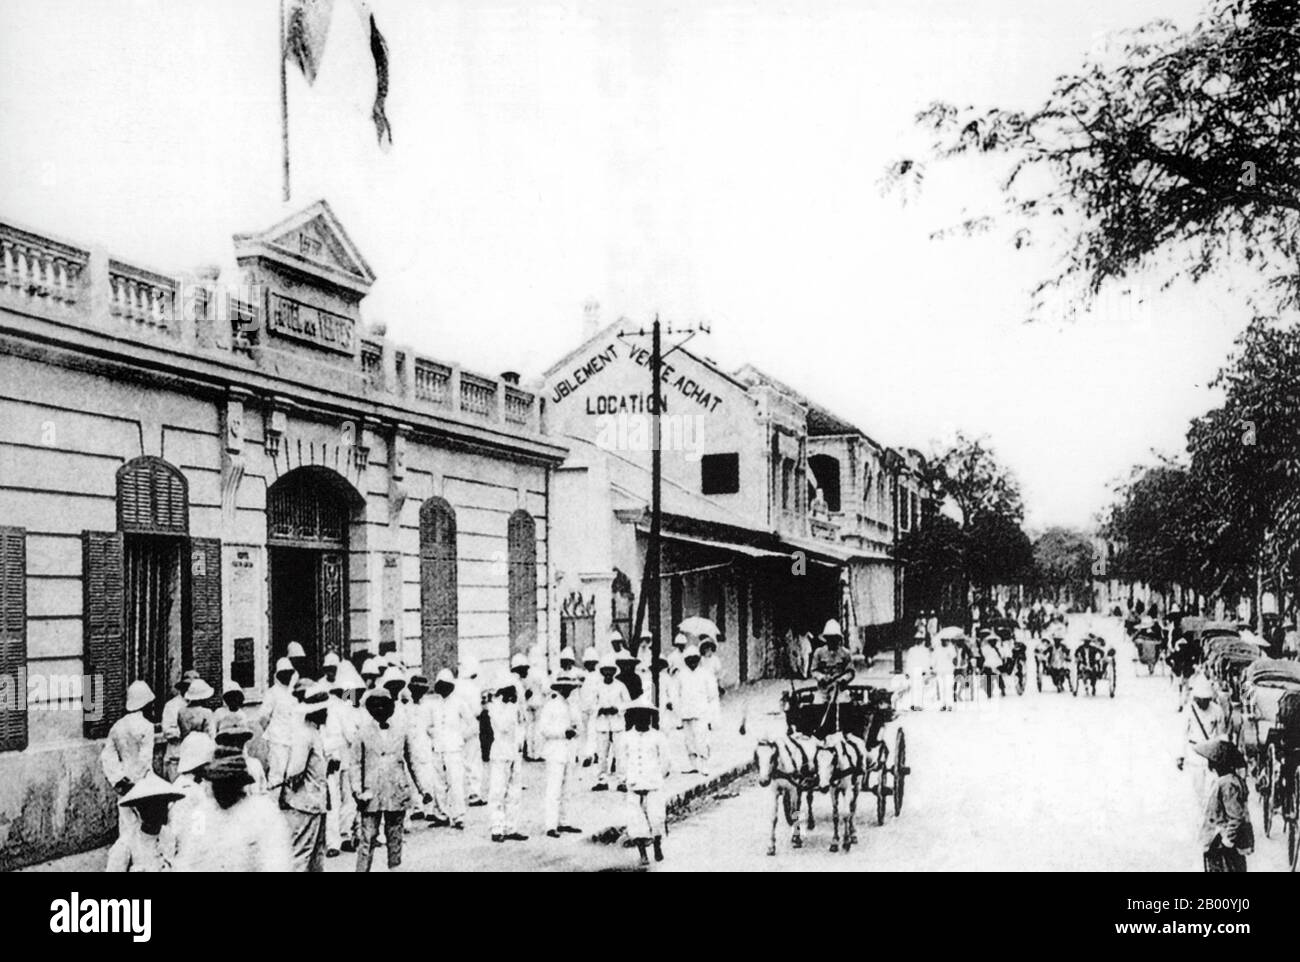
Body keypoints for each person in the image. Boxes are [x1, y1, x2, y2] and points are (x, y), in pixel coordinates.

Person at [173, 746, 294, 872]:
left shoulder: (262, 813)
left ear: (239, 784)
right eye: (218, 784)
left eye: (227, 784)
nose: (221, 791)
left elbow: (276, 863)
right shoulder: (201, 814)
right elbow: (188, 858)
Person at [352, 686, 434, 871]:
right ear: (370, 709)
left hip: (396, 791)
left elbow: (412, 762)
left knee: (395, 837)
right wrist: (357, 790)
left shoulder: (402, 730)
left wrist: (423, 789)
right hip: (370, 793)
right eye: (375, 706)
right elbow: (355, 764)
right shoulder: (362, 733)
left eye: (384, 705)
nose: (380, 709)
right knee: (367, 838)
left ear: (391, 707)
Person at [280, 682, 330, 872]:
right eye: (324, 710)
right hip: (305, 803)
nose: (327, 714)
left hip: (317, 802)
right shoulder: (305, 735)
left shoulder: (315, 733)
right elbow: (295, 770)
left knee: (317, 855)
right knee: (301, 855)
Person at [100, 680, 157, 842]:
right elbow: (145, 758)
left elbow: (108, 756)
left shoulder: (118, 726)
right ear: (145, 703)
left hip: (124, 781)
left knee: (126, 823)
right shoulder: (147, 726)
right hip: (143, 780)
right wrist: (136, 780)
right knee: (144, 823)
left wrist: (119, 779)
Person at [623, 697, 671, 866]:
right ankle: (642, 853)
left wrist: (658, 777)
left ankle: (657, 844)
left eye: (646, 716)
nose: (643, 719)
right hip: (633, 781)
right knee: (635, 820)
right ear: (634, 717)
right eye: (639, 715)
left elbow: (665, 761)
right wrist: (625, 778)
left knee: (656, 817)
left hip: (653, 782)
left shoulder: (658, 736)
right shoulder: (626, 737)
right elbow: (622, 760)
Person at [1195, 739, 1254, 872]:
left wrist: (1227, 841)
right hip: (1219, 842)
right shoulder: (1226, 781)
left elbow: (1236, 816)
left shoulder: (1227, 784)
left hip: (1223, 845)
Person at [105, 774, 183, 872]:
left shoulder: (168, 837)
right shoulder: (126, 845)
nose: (160, 812)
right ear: (142, 811)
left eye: (163, 805)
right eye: (153, 807)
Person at [425, 668, 472, 830]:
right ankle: (442, 814)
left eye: (446, 685)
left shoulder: (459, 702)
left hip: (454, 749)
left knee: (456, 782)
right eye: (441, 685)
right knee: (438, 783)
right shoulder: (434, 704)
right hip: (438, 748)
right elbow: (429, 725)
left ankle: (458, 816)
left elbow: (473, 724)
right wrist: (434, 735)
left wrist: (461, 737)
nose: (444, 688)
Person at [323, 671, 361, 854]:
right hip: (341, 757)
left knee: (334, 800)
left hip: (329, 756)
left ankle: (334, 841)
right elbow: (351, 734)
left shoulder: (326, 704)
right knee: (345, 799)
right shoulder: (343, 708)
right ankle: (341, 837)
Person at [539, 675, 583, 837]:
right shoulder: (550, 705)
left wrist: (575, 732)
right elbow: (543, 729)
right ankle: (550, 825)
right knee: (554, 789)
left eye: (570, 688)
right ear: (559, 688)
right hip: (555, 750)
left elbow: (579, 726)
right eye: (565, 687)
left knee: (567, 789)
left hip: (569, 751)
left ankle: (564, 821)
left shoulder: (572, 705)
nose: (568, 690)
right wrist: (562, 733)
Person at [486, 673, 528, 842]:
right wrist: (511, 707)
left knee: (514, 792)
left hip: (514, 753)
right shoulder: (495, 707)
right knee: (497, 791)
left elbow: (521, 726)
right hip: (500, 753)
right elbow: (503, 726)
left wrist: (520, 746)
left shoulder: (514, 706)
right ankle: (497, 828)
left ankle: (511, 827)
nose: (513, 695)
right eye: (510, 691)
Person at [1178, 675, 1228, 806]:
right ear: (1196, 699)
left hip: (1211, 755)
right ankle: (1202, 815)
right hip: (1195, 754)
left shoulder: (1217, 711)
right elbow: (1183, 733)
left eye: (1207, 700)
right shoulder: (1189, 710)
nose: (1204, 703)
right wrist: (1181, 756)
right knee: (1198, 791)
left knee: (1212, 790)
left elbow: (1222, 735)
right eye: (1201, 700)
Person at [591, 654, 631, 791]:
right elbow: (591, 704)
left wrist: (617, 709)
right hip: (602, 723)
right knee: (602, 754)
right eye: (605, 671)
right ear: (602, 672)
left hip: (617, 723)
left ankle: (622, 781)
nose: (608, 673)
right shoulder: (597, 686)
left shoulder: (620, 686)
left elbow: (628, 703)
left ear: (614, 672)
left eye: (610, 671)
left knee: (620, 753)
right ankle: (602, 780)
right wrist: (600, 709)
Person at [259, 657, 299, 790]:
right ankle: (273, 804)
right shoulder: (272, 693)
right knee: (277, 773)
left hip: (292, 738)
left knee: (291, 772)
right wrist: (272, 733)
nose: (287, 676)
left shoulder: (294, 693)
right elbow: (263, 717)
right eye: (284, 673)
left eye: (289, 673)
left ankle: (286, 802)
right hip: (278, 740)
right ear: (278, 674)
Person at [677, 645, 715, 776]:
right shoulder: (681, 675)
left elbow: (712, 694)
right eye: (689, 660)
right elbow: (676, 693)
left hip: (700, 712)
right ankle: (692, 764)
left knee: (701, 739)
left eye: (695, 659)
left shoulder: (705, 674)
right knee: (689, 740)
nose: (692, 662)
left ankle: (704, 764)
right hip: (686, 712)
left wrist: (709, 713)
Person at [458, 657, 488, 806]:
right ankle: (473, 793)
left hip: (457, 727)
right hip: (470, 725)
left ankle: (459, 792)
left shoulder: (456, 685)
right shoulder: (473, 688)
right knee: (473, 760)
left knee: (460, 760)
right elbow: (477, 710)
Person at [215, 715, 267, 795]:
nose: (236, 744)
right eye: (231, 740)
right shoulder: (218, 769)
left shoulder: (255, 764)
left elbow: (263, 792)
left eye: (240, 739)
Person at [161, 670, 198, 780]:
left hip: (194, 758)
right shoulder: (172, 705)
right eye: (188, 686)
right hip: (177, 757)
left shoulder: (198, 706)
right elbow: (167, 731)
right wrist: (185, 732)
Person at [811, 620, 853, 689]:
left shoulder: (845, 653)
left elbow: (850, 671)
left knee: (844, 699)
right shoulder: (819, 652)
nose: (832, 640)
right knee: (819, 699)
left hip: (840, 688)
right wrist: (821, 677)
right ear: (826, 638)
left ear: (838, 639)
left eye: (834, 638)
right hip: (823, 688)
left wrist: (843, 679)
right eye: (829, 638)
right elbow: (814, 670)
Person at [905, 636, 932, 711]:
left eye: (920, 640)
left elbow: (927, 661)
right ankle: (915, 704)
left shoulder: (924, 650)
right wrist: (907, 672)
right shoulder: (913, 650)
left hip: (920, 670)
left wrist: (926, 671)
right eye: (918, 640)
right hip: (915, 670)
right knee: (915, 688)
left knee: (918, 688)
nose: (919, 641)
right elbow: (909, 661)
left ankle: (918, 704)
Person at [933, 633, 957, 711]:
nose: (944, 642)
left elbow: (955, 660)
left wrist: (952, 659)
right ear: (941, 641)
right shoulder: (937, 649)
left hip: (949, 671)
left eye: (946, 640)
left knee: (949, 688)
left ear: (948, 641)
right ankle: (943, 704)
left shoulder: (951, 648)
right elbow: (934, 660)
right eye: (943, 640)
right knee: (941, 688)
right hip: (940, 671)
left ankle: (950, 705)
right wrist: (932, 667)